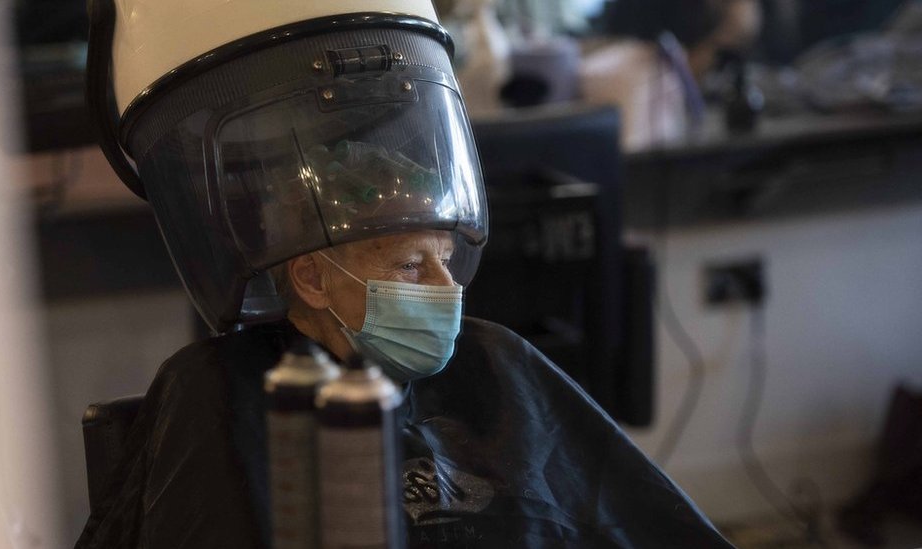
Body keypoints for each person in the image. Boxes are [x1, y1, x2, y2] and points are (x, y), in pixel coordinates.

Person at [77, 0, 736, 547]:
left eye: (444, 261)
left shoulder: (498, 361)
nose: (448, 289)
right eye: (409, 264)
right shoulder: (212, 398)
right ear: (309, 277)